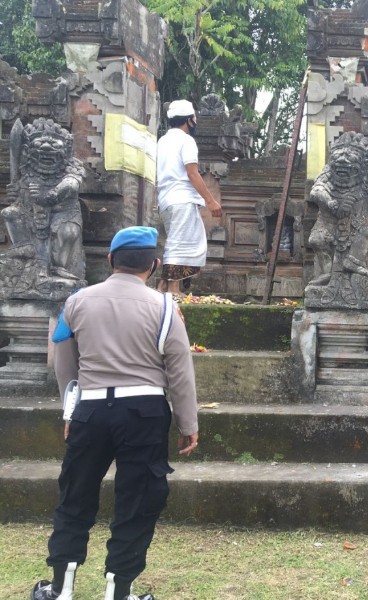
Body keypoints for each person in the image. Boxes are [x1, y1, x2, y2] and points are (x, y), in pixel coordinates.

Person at [32, 226, 199, 600]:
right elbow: (179, 370)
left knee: (75, 495)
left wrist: (70, 413)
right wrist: (188, 423)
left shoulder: (76, 302)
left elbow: (64, 363)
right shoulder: (166, 308)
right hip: (144, 411)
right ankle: (118, 590)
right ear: (153, 266)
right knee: (137, 500)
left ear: (110, 260)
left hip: (91, 410)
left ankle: (61, 587)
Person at [156, 99, 222, 296]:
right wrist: (211, 201)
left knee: (177, 241)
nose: (196, 121)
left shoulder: (163, 140)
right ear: (189, 120)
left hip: (166, 199)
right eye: (194, 118)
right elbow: (192, 173)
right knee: (179, 243)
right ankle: (173, 289)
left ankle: (164, 287)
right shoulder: (186, 141)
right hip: (182, 198)